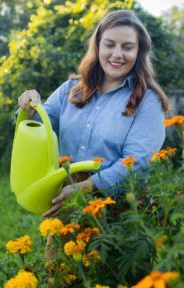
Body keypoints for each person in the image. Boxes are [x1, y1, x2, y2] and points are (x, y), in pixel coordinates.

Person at [17, 9, 169, 218]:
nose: (117, 54)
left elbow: (137, 162)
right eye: (109, 44)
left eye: (127, 47)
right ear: (97, 46)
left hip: (118, 209)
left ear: (139, 52)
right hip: (67, 201)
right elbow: (38, 132)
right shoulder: (70, 89)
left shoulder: (149, 102)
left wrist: (87, 187)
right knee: (64, 252)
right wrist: (28, 108)